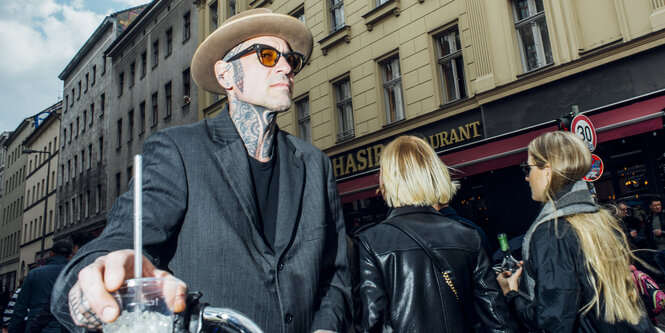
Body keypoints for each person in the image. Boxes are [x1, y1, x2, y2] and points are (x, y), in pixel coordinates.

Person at [50, 8, 351, 333]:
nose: (285, 67)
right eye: (267, 55)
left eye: (291, 59)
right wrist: (94, 282)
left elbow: (335, 273)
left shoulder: (314, 164)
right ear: (225, 76)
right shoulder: (177, 150)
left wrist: (327, 327)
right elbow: (122, 241)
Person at [353, 135, 515, 332]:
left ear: (387, 179)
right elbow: (499, 322)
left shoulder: (371, 241)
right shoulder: (468, 235)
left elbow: (372, 323)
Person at [497, 131, 654, 332]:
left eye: (528, 168)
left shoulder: (552, 231)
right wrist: (540, 266)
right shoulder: (599, 218)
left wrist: (511, 294)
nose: (527, 177)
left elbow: (553, 322)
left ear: (547, 171)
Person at [9, 241, 72, 333]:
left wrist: (14, 329)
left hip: (36, 325)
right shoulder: (74, 273)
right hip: (64, 326)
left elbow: (20, 307)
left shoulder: (34, 274)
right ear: (69, 256)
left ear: (51, 253)